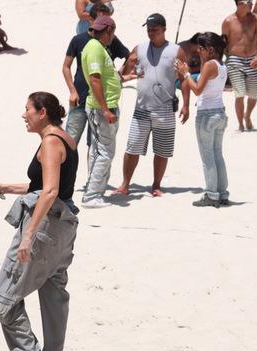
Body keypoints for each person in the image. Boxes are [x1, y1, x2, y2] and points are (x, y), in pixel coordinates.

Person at [0, 92, 78, 351]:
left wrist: (28, 236)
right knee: (53, 298)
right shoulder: (64, 138)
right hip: (64, 229)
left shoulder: (50, 143)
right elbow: (44, 185)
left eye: (27, 110)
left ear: (43, 113)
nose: (23, 115)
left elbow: (49, 192)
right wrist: (5, 187)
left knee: (4, 299)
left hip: (46, 230)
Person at [113, 13, 190, 197]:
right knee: (132, 148)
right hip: (142, 107)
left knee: (162, 150)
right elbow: (122, 74)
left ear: (164, 29)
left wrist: (186, 105)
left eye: (155, 29)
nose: (151, 33)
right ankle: (125, 184)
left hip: (165, 108)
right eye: (149, 30)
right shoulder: (139, 49)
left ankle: (156, 185)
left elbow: (184, 79)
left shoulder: (176, 51)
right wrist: (127, 66)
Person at [62, 4, 129, 148]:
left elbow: (129, 57)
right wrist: (72, 91)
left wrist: (119, 76)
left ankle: (91, 172)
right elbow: (65, 67)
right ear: (91, 19)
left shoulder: (111, 39)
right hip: (80, 97)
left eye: (108, 17)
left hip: (100, 102)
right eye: (101, 17)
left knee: (94, 145)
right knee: (69, 143)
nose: (105, 22)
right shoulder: (78, 40)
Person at [176, 32, 230, 208]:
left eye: (201, 48)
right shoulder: (221, 65)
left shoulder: (209, 67)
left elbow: (198, 90)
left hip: (207, 114)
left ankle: (212, 194)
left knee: (208, 156)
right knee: (217, 154)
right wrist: (200, 58)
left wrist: (185, 74)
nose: (198, 50)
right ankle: (222, 193)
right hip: (219, 112)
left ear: (211, 49)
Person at [79, 16, 122, 208]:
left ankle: (95, 189)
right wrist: (105, 109)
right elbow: (95, 80)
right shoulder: (96, 48)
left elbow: (104, 77)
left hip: (103, 106)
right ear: (109, 31)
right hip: (101, 107)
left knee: (99, 150)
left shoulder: (94, 46)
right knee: (105, 152)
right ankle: (92, 195)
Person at [222, 0, 257, 131]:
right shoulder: (228, 21)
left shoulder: (255, 18)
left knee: (254, 94)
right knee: (239, 93)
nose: (252, 4)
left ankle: (247, 116)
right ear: (240, 3)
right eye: (249, 2)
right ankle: (240, 124)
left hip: (252, 59)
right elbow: (223, 43)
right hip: (234, 60)